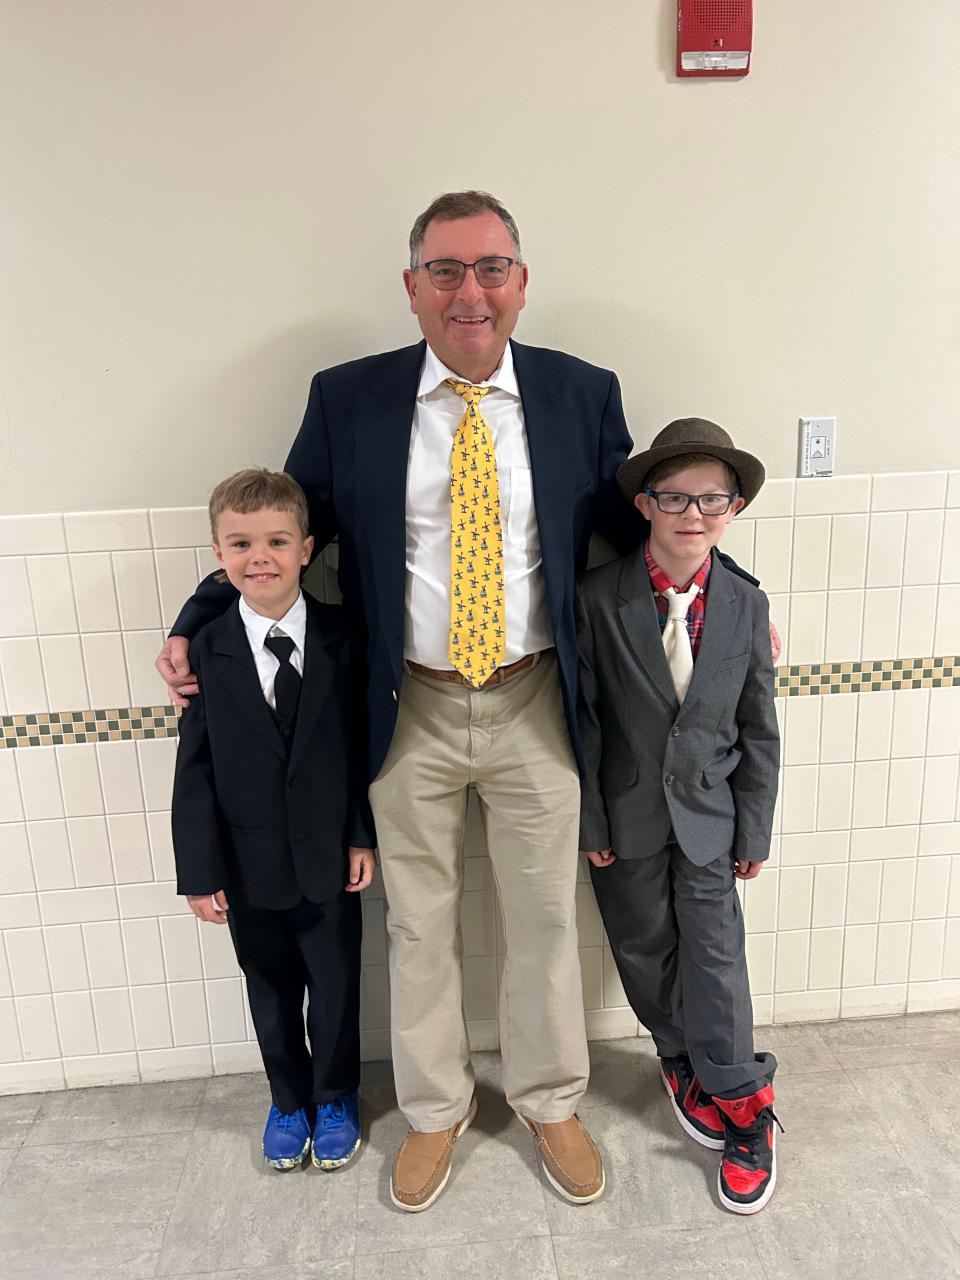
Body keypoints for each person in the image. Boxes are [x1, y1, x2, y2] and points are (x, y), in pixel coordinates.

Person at [157, 192, 765, 1211]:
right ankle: (434, 1113)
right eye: (444, 269)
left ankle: (549, 1098)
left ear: (521, 284)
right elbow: (280, 528)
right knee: (418, 925)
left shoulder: (581, 394)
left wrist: (730, 601)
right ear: (412, 288)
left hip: (534, 699)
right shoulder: (349, 398)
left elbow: (647, 527)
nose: (468, 290)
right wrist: (195, 610)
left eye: (490, 267)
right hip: (412, 708)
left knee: (544, 920)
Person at [576, 418, 781, 1215]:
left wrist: (754, 829)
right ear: (644, 503)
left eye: (712, 500)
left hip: (710, 821)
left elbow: (759, 726)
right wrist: (591, 823)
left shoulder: (745, 604)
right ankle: (677, 1055)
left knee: (716, 955)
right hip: (623, 820)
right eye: (674, 498)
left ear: (732, 509)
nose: (692, 514)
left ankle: (744, 1106)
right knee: (643, 944)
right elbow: (584, 721)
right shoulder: (598, 599)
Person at [171, 468, 377, 1172]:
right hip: (246, 863)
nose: (259, 557)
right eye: (240, 543)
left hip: (328, 855)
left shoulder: (344, 637)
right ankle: (287, 1099)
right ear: (217, 554)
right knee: (270, 990)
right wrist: (199, 872)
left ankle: (335, 1096)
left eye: (277, 541)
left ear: (307, 548)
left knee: (337, 988)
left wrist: (359, 833)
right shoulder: (208, 649)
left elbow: (356, 747)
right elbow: (194, 769)